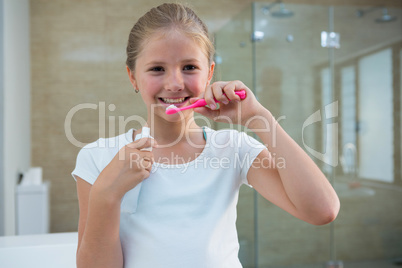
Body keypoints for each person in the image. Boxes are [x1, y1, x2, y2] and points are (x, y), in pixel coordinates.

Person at [72, 3, 340, 268]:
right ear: (132, 77)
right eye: (157, 69)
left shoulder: (233, 148)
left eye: (189, 67)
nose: (175, 83)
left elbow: (322, 210)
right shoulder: (99, 157)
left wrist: (258, 118)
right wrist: (107, 194)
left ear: (210, 73)